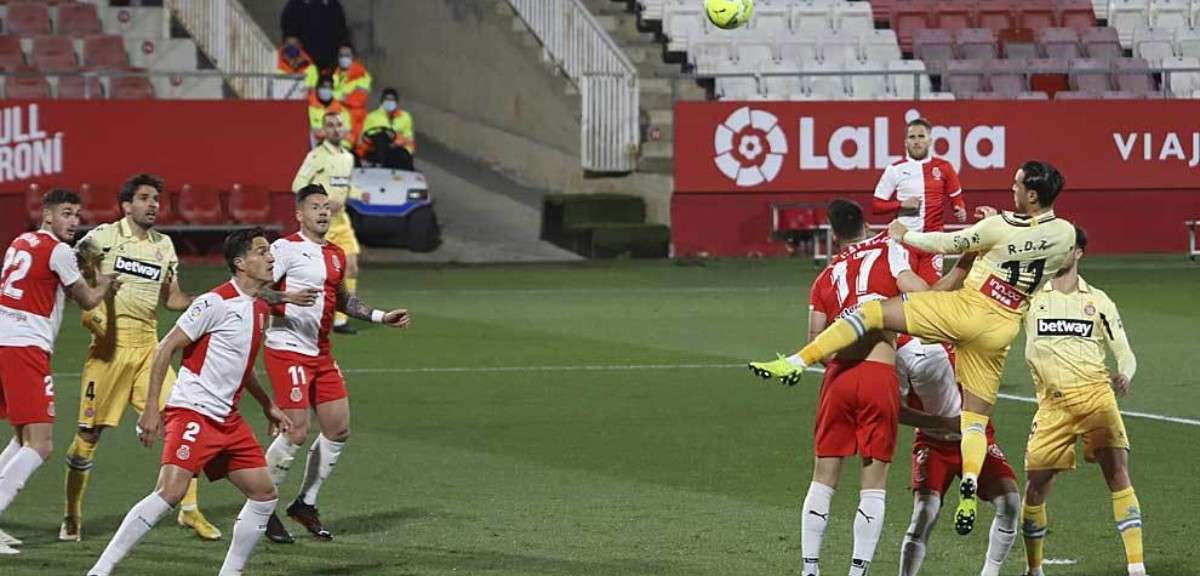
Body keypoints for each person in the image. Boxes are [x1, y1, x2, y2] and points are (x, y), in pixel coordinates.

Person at [749, 160, 1076, 538]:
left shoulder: (997, 226)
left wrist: (905, 233)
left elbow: (945, 243)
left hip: (965, 312)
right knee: (974, 420)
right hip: (1002, 329)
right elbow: (1042, 250)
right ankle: (969, 483)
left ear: (1032, 194)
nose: (1011, 189)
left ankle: (796, 361)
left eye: (1017, 185)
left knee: (873, 312)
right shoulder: (1065, 234)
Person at [84, 228, 298, 576]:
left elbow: (242, 365)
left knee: (264, 493)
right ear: (241, 263)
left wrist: (266, 404)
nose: (272, 258)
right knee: (170, 493)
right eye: (263, 252)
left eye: (271, 252)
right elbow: (165, 347)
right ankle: (100, 570)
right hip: (193, 412)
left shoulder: (259, 308)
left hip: (228, 421)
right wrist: (152, 409)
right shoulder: (214, 302)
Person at [59, 174, 223, 542]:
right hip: (108, 351)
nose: (153, 205)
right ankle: (72, 515)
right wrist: (91, 297)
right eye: (145, 198)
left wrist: (213, 299)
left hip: (150, 348)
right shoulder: (102, 237)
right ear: (126, 205)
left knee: (186, 420)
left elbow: (173, 300)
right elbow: (68, 267)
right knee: (88, 434)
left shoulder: (164, 246)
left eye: (156, 199)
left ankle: (190, 509)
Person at [789, 199, 939, 576]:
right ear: (865, 224)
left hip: (837, 378)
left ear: (834, 233)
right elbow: (918, 292)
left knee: (823, 478)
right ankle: (858, 572)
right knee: (873, 483)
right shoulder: (889, 251)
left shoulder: (824, 277)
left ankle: (809, 568)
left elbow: (815, 341)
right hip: (877, 374)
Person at [262, 184, 410, 543]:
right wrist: (287, 295)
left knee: (338, 428)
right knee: (296, 430)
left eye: (327, 207)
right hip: (286, 348)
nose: (324, 212)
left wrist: (379, 316)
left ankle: (304, 504)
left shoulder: (335, 254)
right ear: (299, 214)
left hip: (321, 352)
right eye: (315, 207)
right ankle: (261, 507)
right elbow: (255, 288)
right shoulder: (284, 248)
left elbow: (342, 299)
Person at [1019, 226, 1146, 576]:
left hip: (1096, 399)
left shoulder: (1099, 301)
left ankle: (1136, 567)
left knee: (1119, 475)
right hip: (1051, 405)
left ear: (1078, 253)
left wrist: (1125, 374)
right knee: (1034, 488)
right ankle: (1034, 568)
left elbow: (1125, 351)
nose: (1060, 252)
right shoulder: (1031, 297)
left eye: (1067, 247)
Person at [0, 189, 117, 555]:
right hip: (25, 346)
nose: (73, 221)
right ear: (47, 215)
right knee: (42, 444)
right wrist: (106, 283)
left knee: (22, 439)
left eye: (77, 215)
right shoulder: (58, 250)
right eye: (66, 214)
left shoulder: (20, 241)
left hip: (5, 340)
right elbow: (88, 299)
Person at [896, 327, 1021, 576]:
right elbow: (896, 410)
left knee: (1010, 502)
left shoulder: (964, 328)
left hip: (978, 435)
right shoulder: (902, 347)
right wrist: (943, 422)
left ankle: (990, 572)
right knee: (924, 514)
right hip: (934, 444)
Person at [293, 111, 364, 335]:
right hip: (320, 225)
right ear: (324, 130)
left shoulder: (348, 157)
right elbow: (297, 185)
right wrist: (322, 202)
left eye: (339, 125)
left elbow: (345, 186)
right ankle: (303, 317)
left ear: (345, 129)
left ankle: (340, 320)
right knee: (315, 274)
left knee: (351, 267)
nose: (335, 129)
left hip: (342, 222)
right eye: (330, 125)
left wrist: (361, 194)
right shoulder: (316, 156)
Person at [873, 117, 966, 273]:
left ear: (930, 141)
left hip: (933, 242)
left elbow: (956, 199)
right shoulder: (894, 169)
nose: (917, 141)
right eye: (912, 137)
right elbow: (876, 206)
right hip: (904, 241)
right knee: (905, 290)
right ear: (906, 142)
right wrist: (901, 204)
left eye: (921, 136)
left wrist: (960, 209)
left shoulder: (944, 167)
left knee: (930, 291)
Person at [280, 0, 348, 72]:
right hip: (305, 68)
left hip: (331, 69)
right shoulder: (294, 6)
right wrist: (295, 60)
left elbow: (342, 37)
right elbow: (290, 39)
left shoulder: (334, 5)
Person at [357, 87, 416, 167]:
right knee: (381, 136)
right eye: (387, 99)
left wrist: (396, 142)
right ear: (382, 101)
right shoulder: (372, 117)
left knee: (402, 155)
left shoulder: (405, 117)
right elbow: (363, 138)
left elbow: (409, 139)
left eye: (392, 100)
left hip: (398, 151)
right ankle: (379, 164)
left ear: (396, 102)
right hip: (376, 151)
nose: (389, 102)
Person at [332, 42, 372, 146]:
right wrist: (342, 97)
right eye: (341, 55)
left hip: (355, 119)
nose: (343, 58)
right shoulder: (334, 75)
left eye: (347, 55)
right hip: (337, 118)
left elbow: (358, 100)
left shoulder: (362, 75)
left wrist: (337, 96)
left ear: (353, 57)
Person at [308, 76, 352, 150]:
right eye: (324, 87)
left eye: (329, 87)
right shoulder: (308, 108)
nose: (326, 90)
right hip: (314, 150)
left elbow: (347, 135)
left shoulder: (342, 111)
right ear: (317, 88)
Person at [274, 35, 318, 100]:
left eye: (295, 44)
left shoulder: (311, 68)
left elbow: (313, 91)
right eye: (288, 44)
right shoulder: (274, 61)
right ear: (283, 46)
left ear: (300, 46)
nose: (292, 46)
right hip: (279, 103)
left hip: (301, 104)